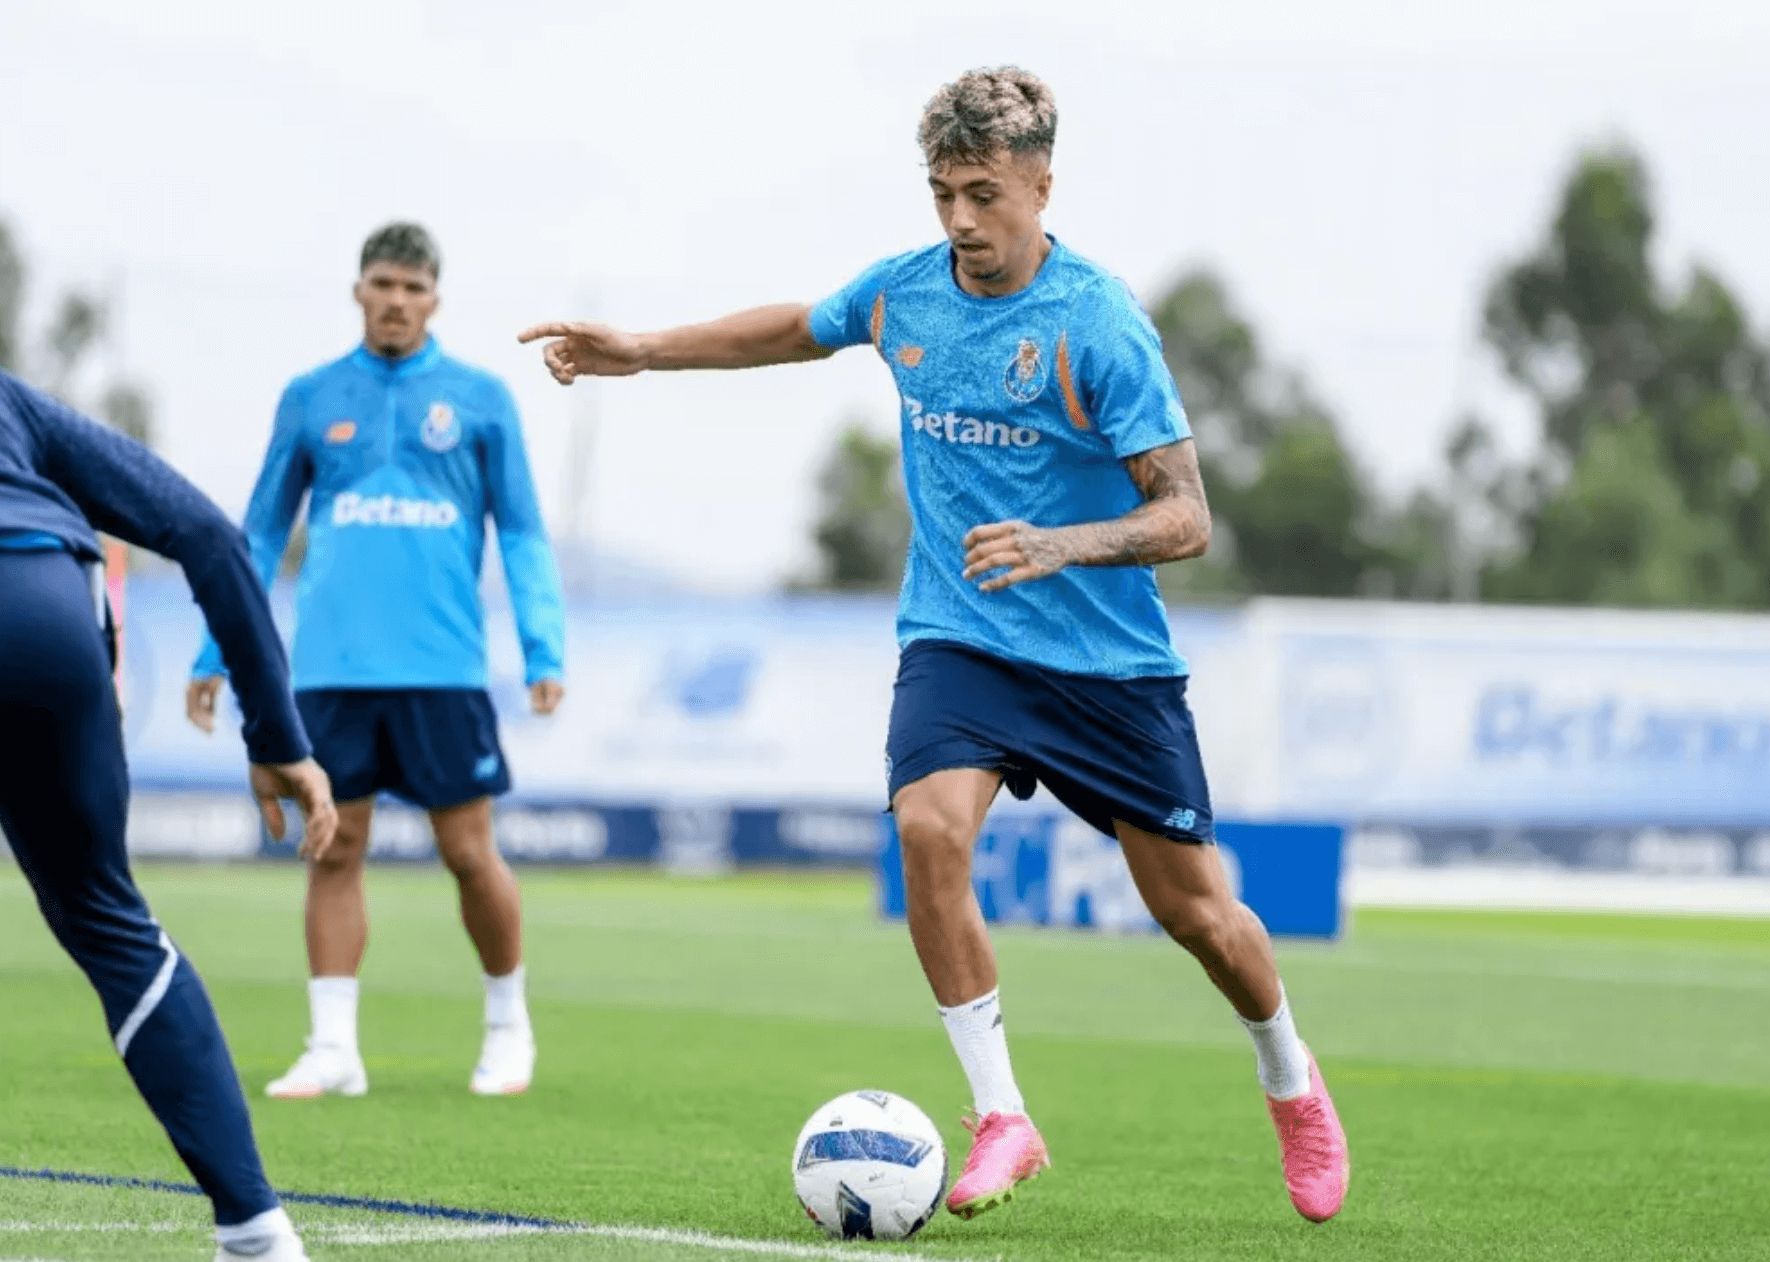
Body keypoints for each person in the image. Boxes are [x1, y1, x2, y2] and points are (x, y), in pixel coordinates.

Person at [519, 67, 1349, 1224]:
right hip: (956, 633)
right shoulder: (905, 292)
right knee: (925, 828)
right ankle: (1002, 1113)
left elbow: (1186, 515)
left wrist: (1064, 542)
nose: (959, 221)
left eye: (982, 195)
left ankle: (1289, 1078)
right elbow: (794, 329)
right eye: (941, 193)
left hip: (1105, 661)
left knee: (1199, 917)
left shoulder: (1097, 322)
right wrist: (642, 350)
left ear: (1038, 185)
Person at [188, 223, 566, 1099]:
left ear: (434, 298)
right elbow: (258, 533)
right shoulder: (312, 396)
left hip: (442, 668)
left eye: (413, 288)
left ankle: (509, 1028)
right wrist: (218, 647)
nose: (397, 301)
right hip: (330, 669)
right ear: (358, 290)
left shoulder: (478, 399)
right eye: (383, 285)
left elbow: (520, 530)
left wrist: (543, 643)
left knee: (469, 852)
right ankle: (333, 1048)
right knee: (333, 846)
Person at [0, 370, 334, 1262]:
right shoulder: (9, 402)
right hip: (46, 600)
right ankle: (259, 1235)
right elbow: (208, 535)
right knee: (107, 920)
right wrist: (275, 733)